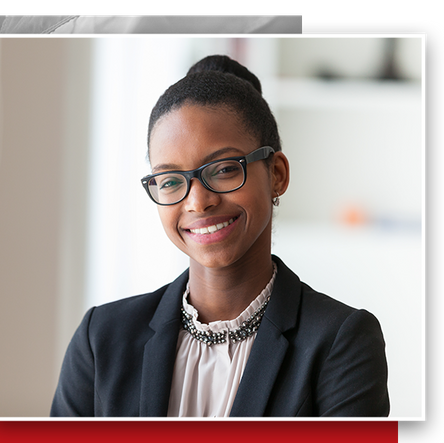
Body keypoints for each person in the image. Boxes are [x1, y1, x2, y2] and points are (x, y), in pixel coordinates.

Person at [50, 55, 389, 417]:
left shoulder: (341, 340)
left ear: (276, 174)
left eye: (225, 169)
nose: (198, 202)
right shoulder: (100, 339)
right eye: (170, 180)